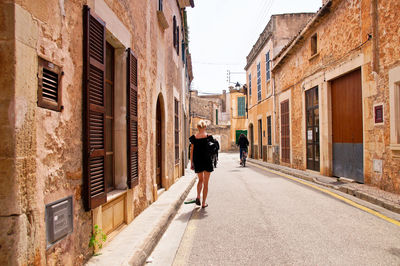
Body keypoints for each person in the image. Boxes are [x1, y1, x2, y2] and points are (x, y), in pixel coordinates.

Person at [189, 120, 214, 208]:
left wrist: (192, 163)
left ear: (198, 127)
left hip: (198, 161)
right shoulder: (209, 137)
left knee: (200, 180)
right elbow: (213, 150)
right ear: (205, 127)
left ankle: (198, 196)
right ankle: (203, 203)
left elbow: (191, 151)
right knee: (206, 183)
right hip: (207, 160)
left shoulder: (193, 138)